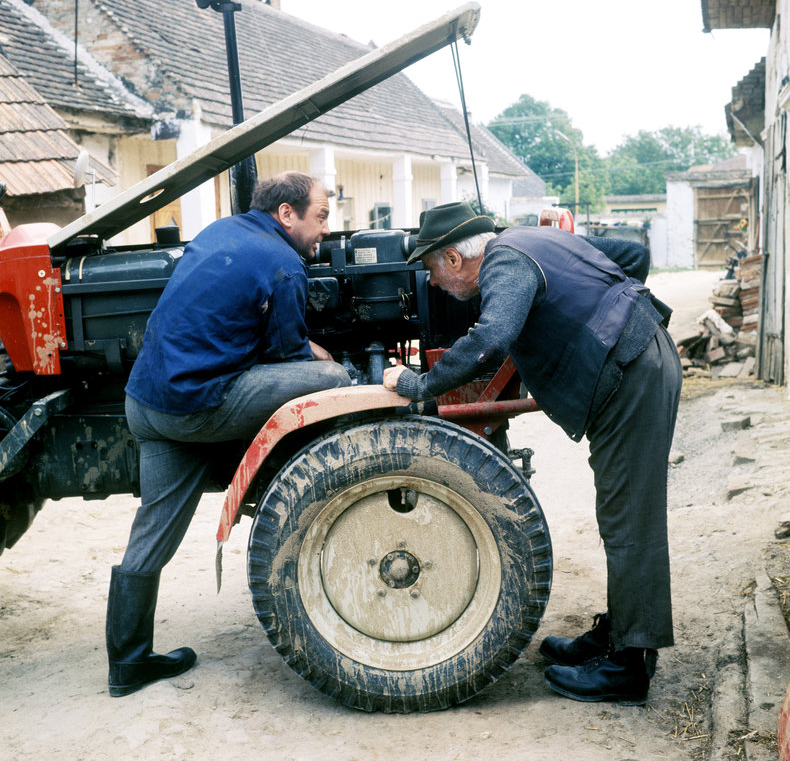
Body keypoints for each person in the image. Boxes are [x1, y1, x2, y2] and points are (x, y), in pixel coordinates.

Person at [383, 201, 682, 706]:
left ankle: (629, 667)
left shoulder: (506, 263)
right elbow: (631, 256)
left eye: (432, 268)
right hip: (636, 365)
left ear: (454, 259)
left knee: (631, 520)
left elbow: (492, 338)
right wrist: (597, 324)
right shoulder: (531, 241)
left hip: (633, 375)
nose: (432, 283)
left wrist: (419, 383)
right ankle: (619, 632)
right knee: (619, 515)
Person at [106, 171, 351, 697]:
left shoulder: (222, 230)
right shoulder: (285, 263)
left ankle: (127, 664)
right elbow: (286, 354)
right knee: (333, 377)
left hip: (147, 403)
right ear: (286, 214)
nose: (326, 230)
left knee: (151, 533)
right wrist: (322, 355)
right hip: (196, 406)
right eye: (321, 216)